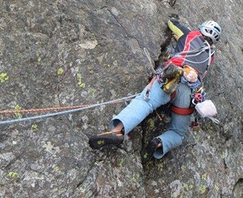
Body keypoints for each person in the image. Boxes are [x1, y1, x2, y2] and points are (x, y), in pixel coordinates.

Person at [89, 18, 221, 163]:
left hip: (171, 78)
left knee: (145, 102)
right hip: (189, 94)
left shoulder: (188, 34)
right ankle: (159, 142)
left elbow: (172, 24)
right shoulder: (210, 56)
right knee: (178, 132)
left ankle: (117, 131)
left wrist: (176, 25)